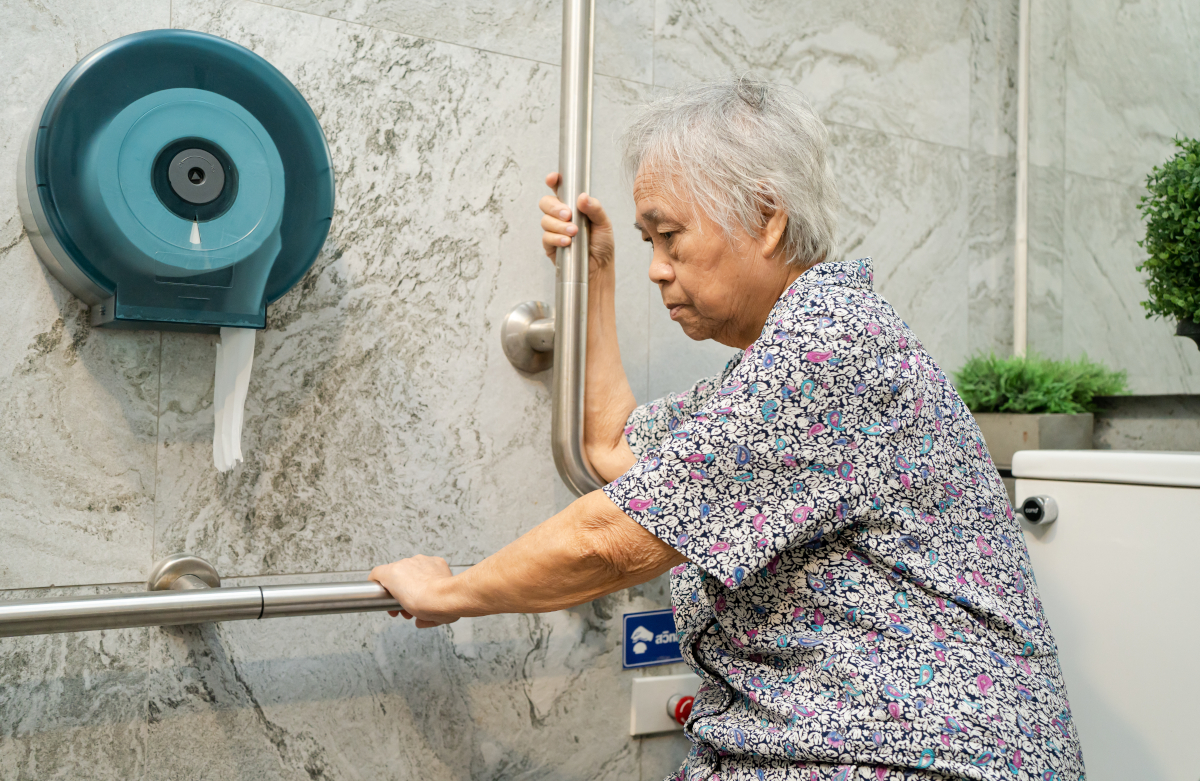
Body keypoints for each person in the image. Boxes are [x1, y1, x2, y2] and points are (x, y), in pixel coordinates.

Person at [370, 78, 1085, 780]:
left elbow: (611, 539)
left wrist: (448, 594)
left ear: (766, 216)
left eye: (671, 238)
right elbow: (614, 449)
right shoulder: (790, 361)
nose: (659, 269)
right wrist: (594, 272)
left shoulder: (828, 352)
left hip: (915, 758)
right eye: (650, 241)